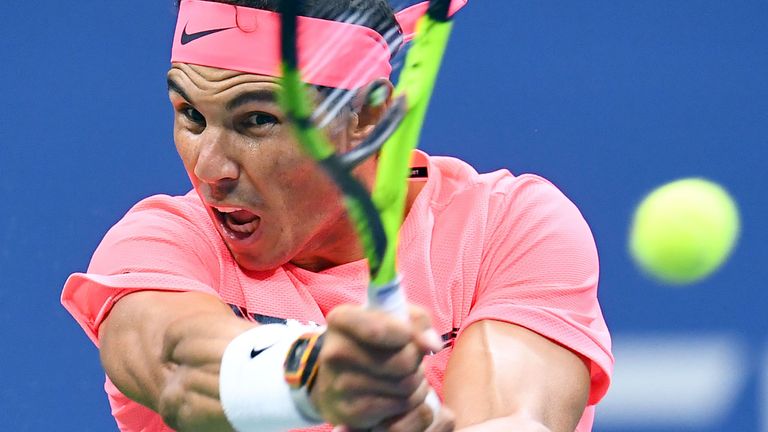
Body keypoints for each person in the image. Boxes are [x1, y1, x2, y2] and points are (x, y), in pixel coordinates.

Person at [61, 0, 613, 431]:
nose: (210, 167)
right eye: (191, 116)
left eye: (257, 120)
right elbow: (178, 368)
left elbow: (512, 418)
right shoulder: (162, 243)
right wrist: (316, 375)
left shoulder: (507, 225)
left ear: (367, 117)